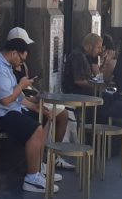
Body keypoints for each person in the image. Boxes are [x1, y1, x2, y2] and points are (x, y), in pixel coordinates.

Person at [0, 38, 61, 193]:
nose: (21, 63)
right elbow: (6, 100)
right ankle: (31, 178)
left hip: (14, 109)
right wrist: (22, 85)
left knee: (44, 117)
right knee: (35, 129)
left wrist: (35, 106)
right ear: (13, 53)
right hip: (3, 114)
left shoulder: (7, 66)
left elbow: (18, 98)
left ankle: (38, 167)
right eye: (21, 59)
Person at [6, 27, 75, 170]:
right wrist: (32, 100)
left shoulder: (23, 65)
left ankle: (53, 157)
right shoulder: (7, 67)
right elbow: (10, 96)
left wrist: (36, 93)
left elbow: (25, 86)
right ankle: (41, 162)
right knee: (47, 116)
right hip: (19, 103)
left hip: (27, 97)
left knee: (62, 114)